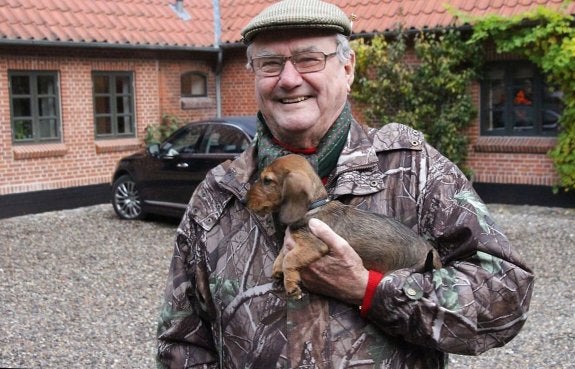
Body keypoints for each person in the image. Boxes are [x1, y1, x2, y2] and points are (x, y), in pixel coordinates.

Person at [156, 0, 534, 368]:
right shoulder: (220, 192)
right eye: (270, 63)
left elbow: (506, 298)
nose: (289, 79)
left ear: (348, 67)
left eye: (309, 59)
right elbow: (182, 341)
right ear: (253, 73)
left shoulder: (413, 169)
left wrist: (368, 289)